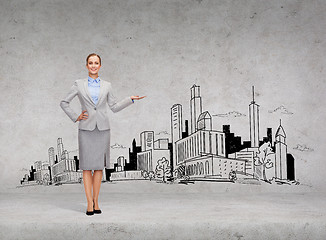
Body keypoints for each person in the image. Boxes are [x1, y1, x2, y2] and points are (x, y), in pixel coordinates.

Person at [60, 53, 145, 216]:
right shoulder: (78, 84)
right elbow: (64, 103)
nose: (93, 65)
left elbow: (114, 106)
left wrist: (130, 99)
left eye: (96, 63)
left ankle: (96, 201)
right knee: (86, 168)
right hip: (86, 129)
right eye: (90, 63)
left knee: (99, 168)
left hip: (103, 129)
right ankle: (88, 203)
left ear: (100, 66)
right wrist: (75, 116)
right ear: (86, 65)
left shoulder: (107, 85)